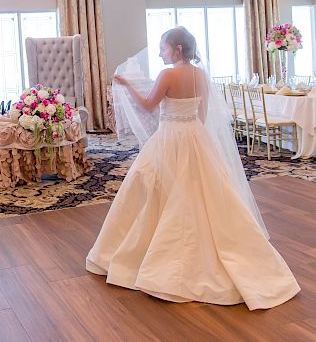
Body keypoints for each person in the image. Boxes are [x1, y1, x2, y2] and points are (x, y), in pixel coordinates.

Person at [86, 26, 300, 310]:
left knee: (158, 191)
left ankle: (151, 253)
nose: (160, 53)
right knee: (202, 192)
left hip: (171, 138)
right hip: (195, 137)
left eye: (163, 48)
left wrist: (127, 85)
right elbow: (201, 114)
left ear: (176, 49)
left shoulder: (168, 74)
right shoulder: (201, 75)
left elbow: (149, 106)